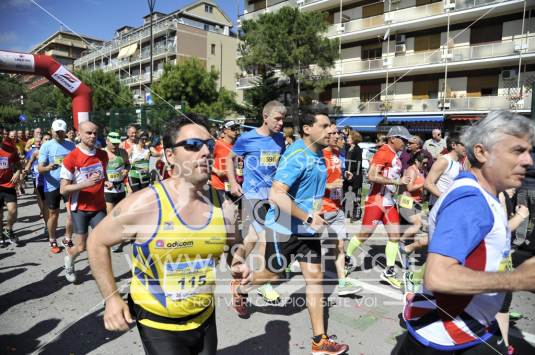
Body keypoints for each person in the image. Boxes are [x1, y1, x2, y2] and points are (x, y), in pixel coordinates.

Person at [87, 113, 247, 355]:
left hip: (204, 316)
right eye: (193, 145)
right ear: (170, 155)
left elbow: (235, 246)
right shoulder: (145, 204)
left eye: (209, 144)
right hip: (158, 322)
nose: (205, 152)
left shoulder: (222, 204)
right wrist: (111, 298)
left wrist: (238, 261)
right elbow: (97, 241)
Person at [400, 110, 535, 354]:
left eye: (528, 151)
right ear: (482, 152)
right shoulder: (471, 200)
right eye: (517, 151)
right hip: (447, 335)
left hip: (468, 327)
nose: (528, 161)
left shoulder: (483, 194)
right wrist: (519, 279)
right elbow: (438, 277)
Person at [231, 106, 348, 355]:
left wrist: (316, 214)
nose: (331, 130)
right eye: (325, 126)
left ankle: (320, 341)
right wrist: (307, 215)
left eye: (331, 126)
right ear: (307, 129)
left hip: (308, 231)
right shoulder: (298, 155)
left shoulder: (319, 154)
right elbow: (276, 194)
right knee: (274, 277)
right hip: (283, 228)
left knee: (315, 279)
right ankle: (240, 289)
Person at [226, 100, 287, 305]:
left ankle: (236, 267)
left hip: (274, 195)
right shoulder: (247, 138)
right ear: (265, 117)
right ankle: (264, 284)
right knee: (264, 236)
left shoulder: (280, 139)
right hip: (253, 194)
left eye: (283, 119)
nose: (281, 123)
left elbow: (279, 165)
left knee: (252, 237)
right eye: (277, 119)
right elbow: (230, 158)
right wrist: (234, 182)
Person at [346, 126, 412, 289]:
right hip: (376, 201)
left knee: (395, 236)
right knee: (364, 235)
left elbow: (392, 176)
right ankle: (346, 259)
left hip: (389, 202)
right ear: (393, 139)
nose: (405, 143)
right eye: (403, 140)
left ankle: (389, 271)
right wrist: (397, 182)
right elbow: (371, 176)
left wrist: (401, 189)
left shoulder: (395, 154)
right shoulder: (383, 152)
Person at [60, 121, 108, 283]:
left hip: (99, 206)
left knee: (103, 241)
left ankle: (102, 273)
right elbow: (63, 190)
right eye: (88, 133)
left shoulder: (103, 155)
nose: (93, 136)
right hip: (79, 208)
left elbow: (102, 175)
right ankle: (69, 258)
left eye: (95, 133)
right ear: (78, 134)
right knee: (81, 246)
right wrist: (85, 184)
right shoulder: (71, 158)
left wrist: (106, 181)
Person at [322, 124, 359, 296]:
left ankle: (342, 283)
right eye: (334, 133)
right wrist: (329, 185)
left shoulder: (338, 153)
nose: (338, 136)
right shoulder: (318, 155)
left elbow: (336, 174)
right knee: (303, 245)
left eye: (339, 133)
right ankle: (281, 266)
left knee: (340, 246)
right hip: (319, 208)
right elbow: (309, 183)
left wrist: (345, 175)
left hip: (336, 206)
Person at [38, 119, 75, 254]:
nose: (59, 134)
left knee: (71, 214)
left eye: (61, 132)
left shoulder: (71, 145)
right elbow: (40, 168)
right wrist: (48, 167)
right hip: (52, 185)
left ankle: (67, 238)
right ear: (52, 130)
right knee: (54, 214)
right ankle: (52, 238)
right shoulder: (46, 146)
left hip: (68, 184)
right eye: (56, 132)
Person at [424, 132, 466, 209]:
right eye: (463, 144)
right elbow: (428, 184)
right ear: (453, 145)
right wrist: (446, 198)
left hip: (451, 206)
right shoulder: (444, 161)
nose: (466, 147)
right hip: (439, 206)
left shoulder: (459, 163)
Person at [24, 134, 51, 235]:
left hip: (53, 181)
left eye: (49, 139)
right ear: (42, 141)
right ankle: (47, 225)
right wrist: (26, 170)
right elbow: (30, 163)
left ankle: (50, 222)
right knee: (45, 204)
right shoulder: (36, 153)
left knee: (52, 206)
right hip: (41, 181)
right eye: (45, 139)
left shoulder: (54, 151)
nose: (47, 141)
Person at [0, 129, 22, 245]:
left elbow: (19, 165)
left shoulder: (11, 148)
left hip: (8, 184)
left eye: (5, 134)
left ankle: (7, 229)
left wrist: (17, 173)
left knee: (13, 211)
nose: (4, 136)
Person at [512, 150, 535, 252]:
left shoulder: (524, 156)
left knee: (522, 217)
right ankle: (530, 243)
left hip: (522, 188)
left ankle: (519, 241)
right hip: (530, 189)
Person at [211, 120, 240, 194]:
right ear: (225, 130)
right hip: (218, 187)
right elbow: (205, 161)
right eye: (233, 129)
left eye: (237, 129)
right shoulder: (217, 144)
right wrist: (217, 171)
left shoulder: (238, 147)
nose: (236, 131)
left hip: (234, 188)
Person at [104, 132, 130, 213]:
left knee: (120, 213)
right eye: (113, 143)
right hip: (107, 188)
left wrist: (126, 170)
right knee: (110, 215)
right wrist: (105, 181)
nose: (115, 145)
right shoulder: (102, 153)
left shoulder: (123, 152)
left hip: (120, 187)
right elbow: (97, 171)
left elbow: (128, 165)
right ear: (107, 141)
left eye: (117, 143)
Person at [343, 130, 363, 222]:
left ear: (354, 139)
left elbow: (358, 164)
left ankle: (357, 213)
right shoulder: (348, 148)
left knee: (356, 196)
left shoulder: (357, 149)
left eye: (349, 137)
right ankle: (348, 212)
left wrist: (351, 171)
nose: (347, 138)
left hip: (356, 175)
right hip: (348, 175)